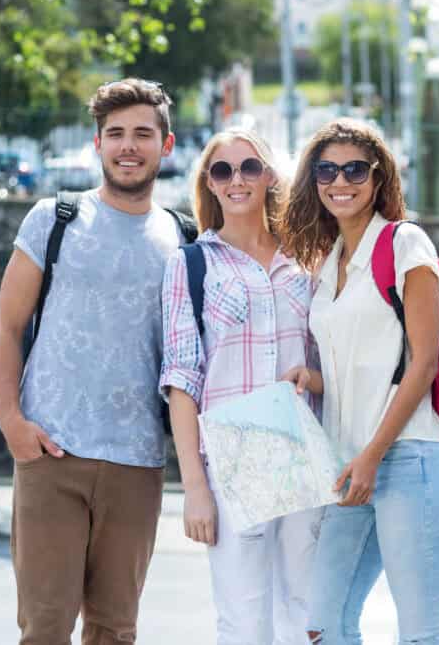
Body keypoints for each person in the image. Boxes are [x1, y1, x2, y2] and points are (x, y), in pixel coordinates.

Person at [0, 78, 187, 644]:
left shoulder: (183, 238)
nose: (129, 146)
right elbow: (3, 325)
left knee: (115, 631)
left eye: (142, 134)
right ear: (97, 144)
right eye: (115, 134)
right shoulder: (54, 219)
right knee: (45, 629)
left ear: (165, 146)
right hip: (51, 453)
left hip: (137, 461)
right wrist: (12, 426)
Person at [280, 119, 439, 645]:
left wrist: (374, 455)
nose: (341, 180)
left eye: (355, 169)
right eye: (327, 170)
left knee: (421, 635)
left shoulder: (406, 243)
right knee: (322, 623)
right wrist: (311, 378)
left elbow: (423, 362)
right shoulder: (331, 260)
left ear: (378, 178)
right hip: (348, 463)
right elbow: (357, 361)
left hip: (408, 458)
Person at [159, 128, 322, 644]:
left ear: (269, 176)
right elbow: (182, 379)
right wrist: (195, 489)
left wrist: (313, 378)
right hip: (233, 448)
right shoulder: (191, 265)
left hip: (302, 443)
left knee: (306, 614)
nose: (236, 180)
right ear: (209, 183)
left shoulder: (307, 262)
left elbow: (326, 360)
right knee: (244, 623)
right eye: (222, 170)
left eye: (249, 167)